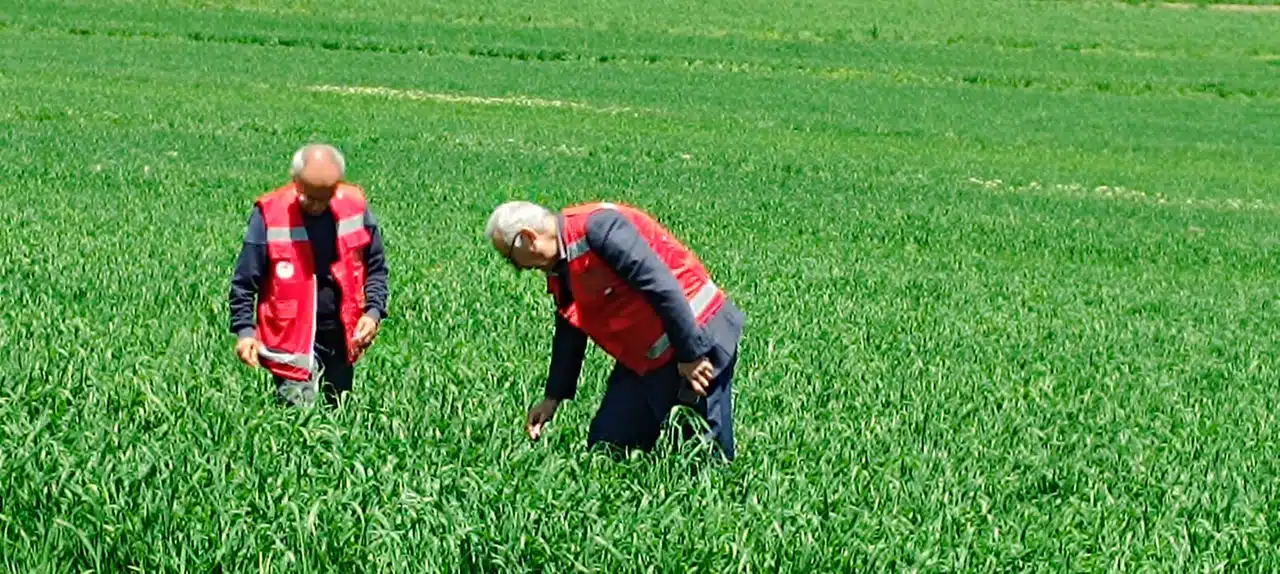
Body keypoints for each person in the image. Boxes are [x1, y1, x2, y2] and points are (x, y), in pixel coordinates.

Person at [485, 200, 745, 461]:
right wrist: (553, 398)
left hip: (697, 338)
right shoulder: (560, 264)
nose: (517, 268)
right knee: (606, 449)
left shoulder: (598, 229)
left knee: (701, 456)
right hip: (646, 358)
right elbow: (570, 328)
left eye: (511, 258)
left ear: (529, 237)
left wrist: (691, 355)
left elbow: (661, 286)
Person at [228, 143, 389, 407]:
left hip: (342, 336)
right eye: (309, 197)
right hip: (290, 339)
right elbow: (245, 280)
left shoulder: (354, 207)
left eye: (325, 198)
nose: (317, 206)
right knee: (298, 418)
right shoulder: (270, 214)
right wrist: (245, 331)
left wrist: (373, 313)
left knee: (339, 413)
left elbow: (376, 267)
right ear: (295, 181)